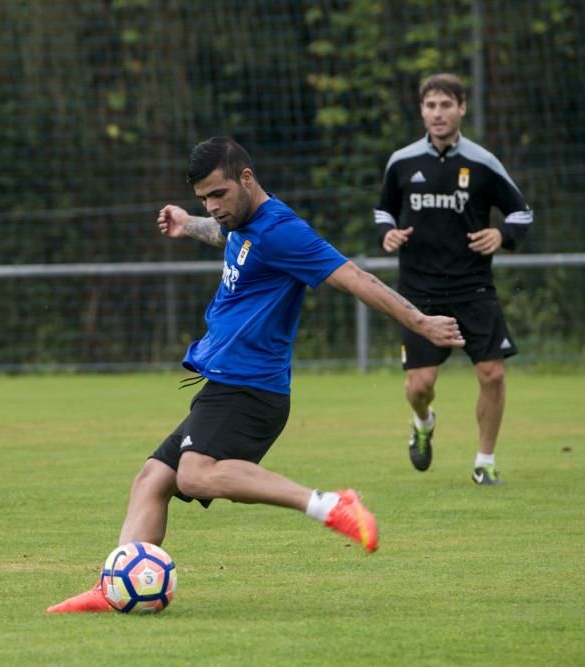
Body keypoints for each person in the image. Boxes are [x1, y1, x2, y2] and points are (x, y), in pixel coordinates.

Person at [47, 136, 466, 613]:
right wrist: (189, 224)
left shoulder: (283, 231)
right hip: (225, 381)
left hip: (251, 387)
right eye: (203, 197)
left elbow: (357, 279)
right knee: (151, 480)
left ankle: (330, 505)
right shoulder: (243, 223)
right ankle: (112, 587)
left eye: (218, 194)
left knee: (196, 474)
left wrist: (421, 322)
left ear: (246, 179)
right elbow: (230, 238)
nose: (212, 205)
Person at [374, 73, 533, 486]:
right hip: (418, 292)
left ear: (462, 108)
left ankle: (484, 462)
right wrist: (386, 233)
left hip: (473, 288)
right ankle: (423, 422)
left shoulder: (482, 162)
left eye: (446, 105)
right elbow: (382, 212)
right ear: (422, 111)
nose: (438, 113)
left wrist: (502, 234)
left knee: (493, 374)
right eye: (431, 106)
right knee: (419, 386)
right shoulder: (402, 161)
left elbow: (521, 212)